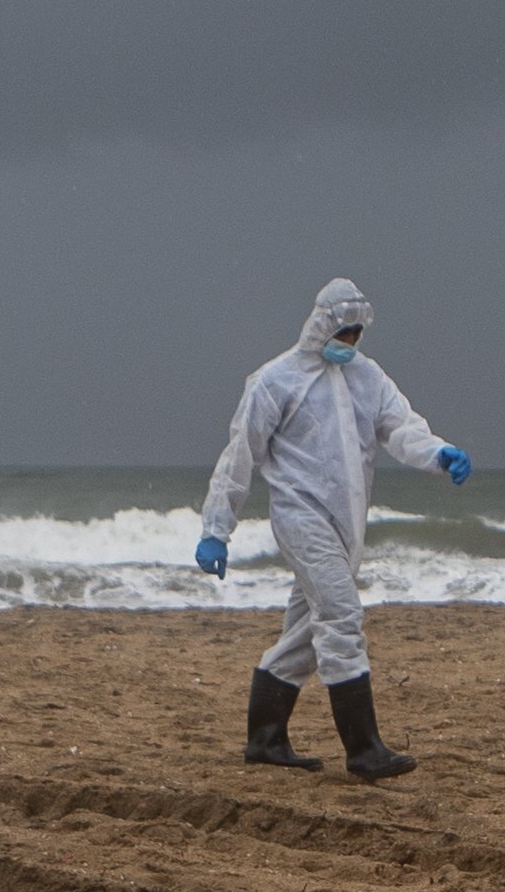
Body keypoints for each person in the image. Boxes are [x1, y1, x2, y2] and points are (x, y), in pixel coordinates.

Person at [196, 278, 466, 780]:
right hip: (301, 518)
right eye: (341, 332)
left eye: (356, 334)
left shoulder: (369, 378)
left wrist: (438, 454)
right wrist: (217, 527)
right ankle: (364, 750)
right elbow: (240, 456)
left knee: (306, 629)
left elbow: (400, 427)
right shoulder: (275, 381)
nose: (348, 343)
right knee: (341, 615)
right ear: (321, 323)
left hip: (348, 521)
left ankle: (265, 739)